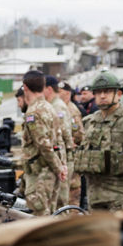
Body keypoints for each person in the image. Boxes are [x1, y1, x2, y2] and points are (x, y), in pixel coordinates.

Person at [76, 71, 123, 211]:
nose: (102, 96)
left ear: (118, 94)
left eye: (107, 92)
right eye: (98, 92)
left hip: (122, 196)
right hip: (95, 196)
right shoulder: (90, 122)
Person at [17, 70, 67, 217]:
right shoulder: (49, 108)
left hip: (40, 174)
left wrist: (59, 168)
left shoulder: (33, 112)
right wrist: (61, 166)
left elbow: (43, 145)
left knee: (39, 219)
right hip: (50, 173)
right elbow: (59, 140)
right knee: (50, 216)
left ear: (25, 87)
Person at [44, 75, 81, 207]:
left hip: (63, 156)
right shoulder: (53, 105)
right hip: (60, 156)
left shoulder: (58, 107)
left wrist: (63, 160)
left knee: (61, 198)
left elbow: (64, 133)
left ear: (48, 89)